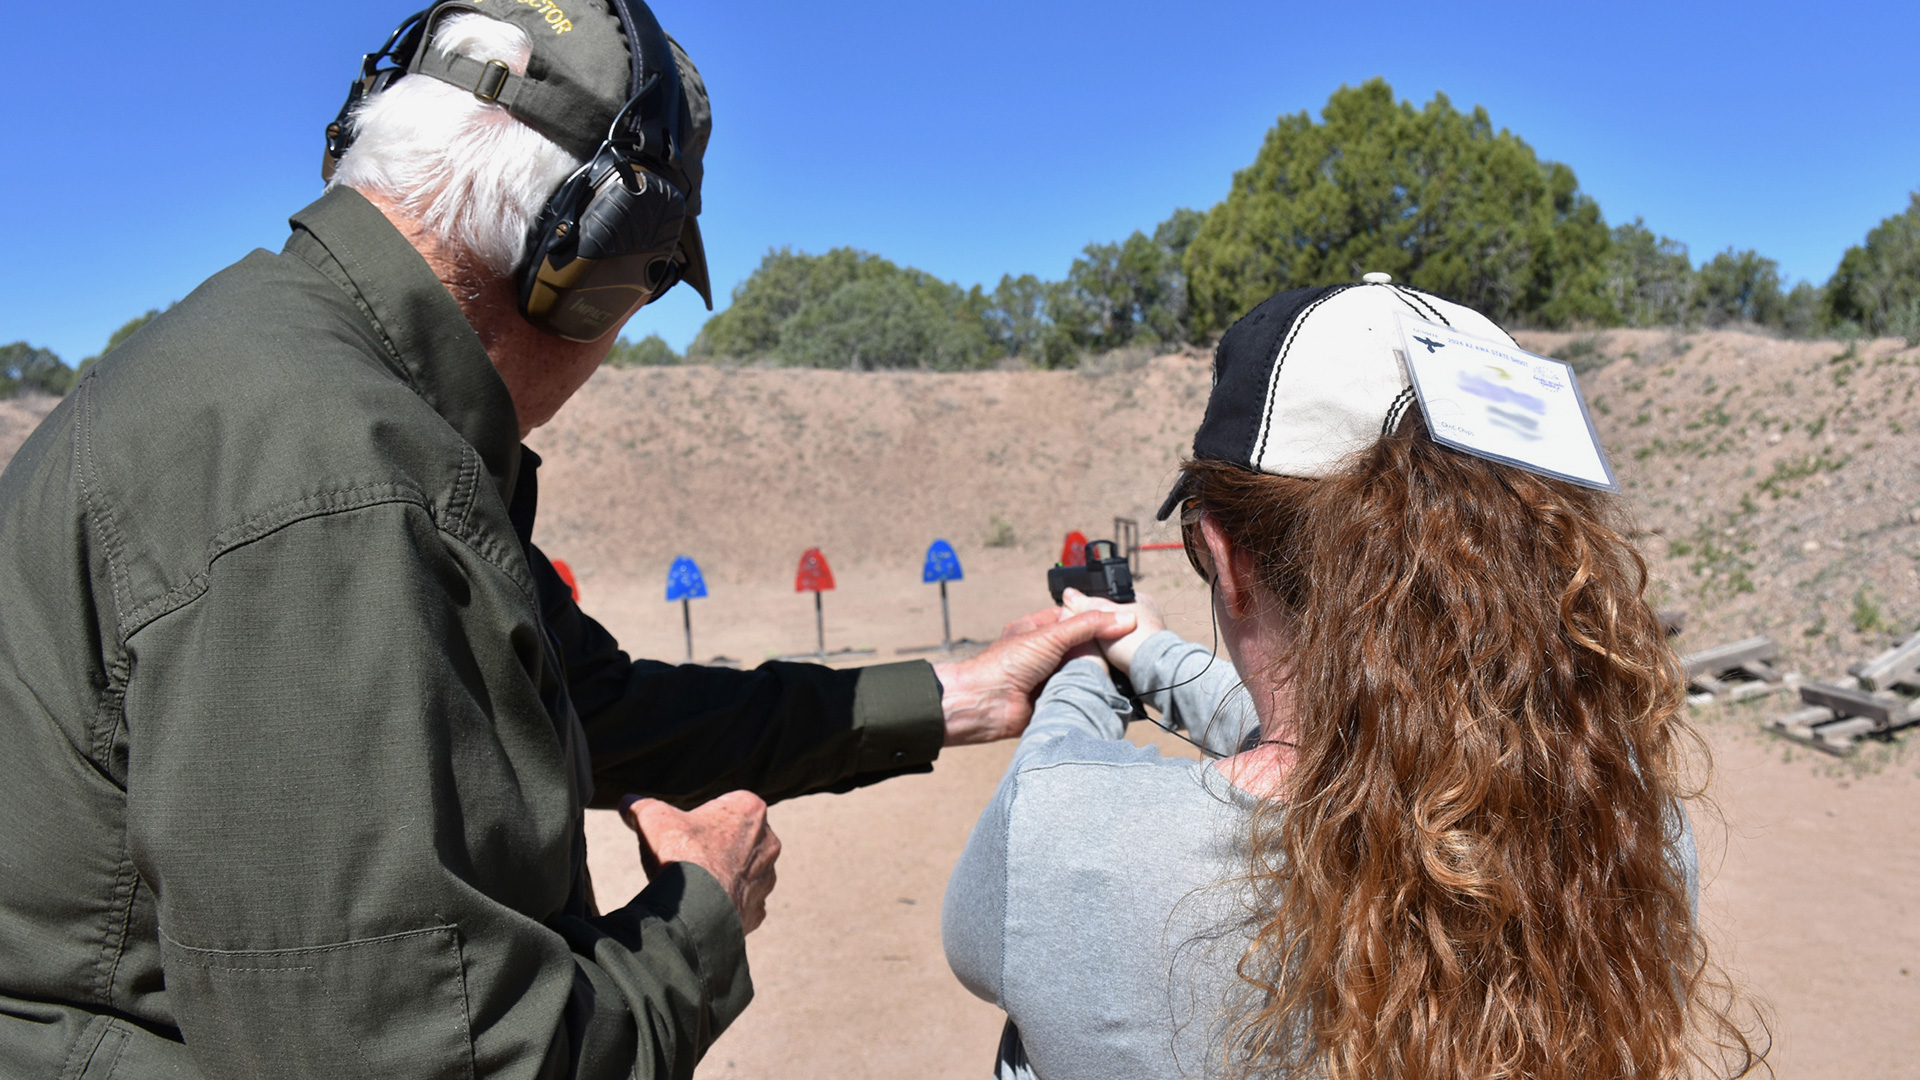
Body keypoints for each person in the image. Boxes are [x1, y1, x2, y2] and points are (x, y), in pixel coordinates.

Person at [0, 4, 1124, 1078]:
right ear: (590, 268)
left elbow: (591, 703)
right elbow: (427, 1060)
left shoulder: (291, 393)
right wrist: (700, 923)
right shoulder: (343, 490)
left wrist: (950, 695)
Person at [944, 279, 1763, 1079]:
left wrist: (1082, 664)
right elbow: (1356, 745)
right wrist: (1144, 649)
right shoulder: (1629, 831)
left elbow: (1070, 762)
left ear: (1227, 559)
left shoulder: (1056, 836)